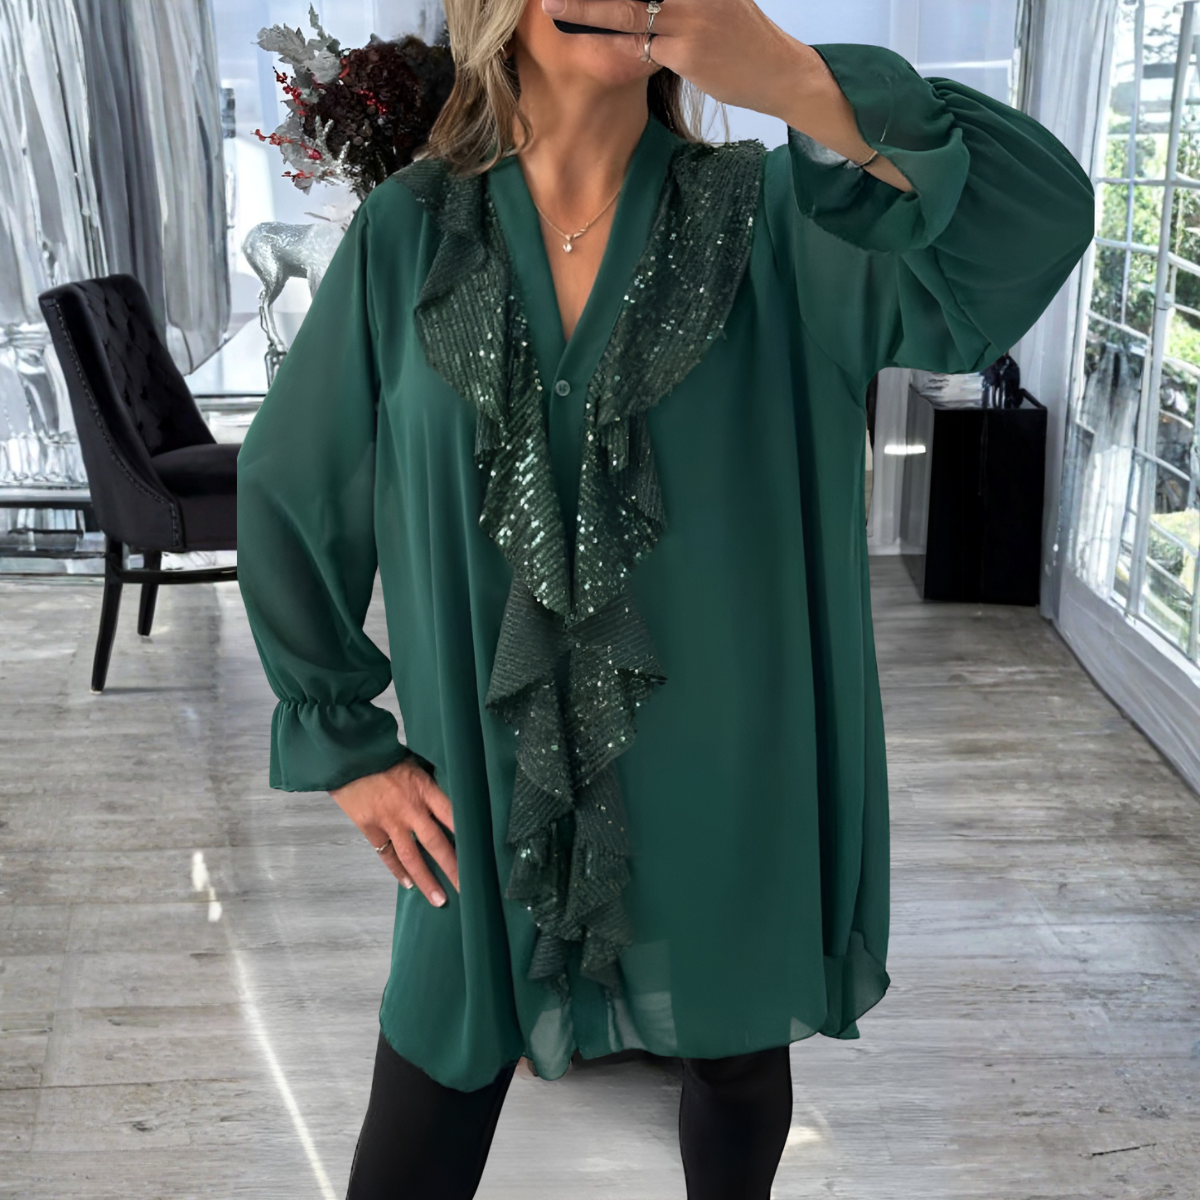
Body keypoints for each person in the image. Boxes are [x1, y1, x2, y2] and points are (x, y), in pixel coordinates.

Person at [236, 0, 1094, 1195]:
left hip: (729, 768)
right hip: (486, 769)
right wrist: (342, 739)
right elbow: (292, 482)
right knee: (437, 1066)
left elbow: (1034, 214)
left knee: (735, 1056)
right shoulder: (409, 234)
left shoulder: (783, 225)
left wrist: (789, 76)